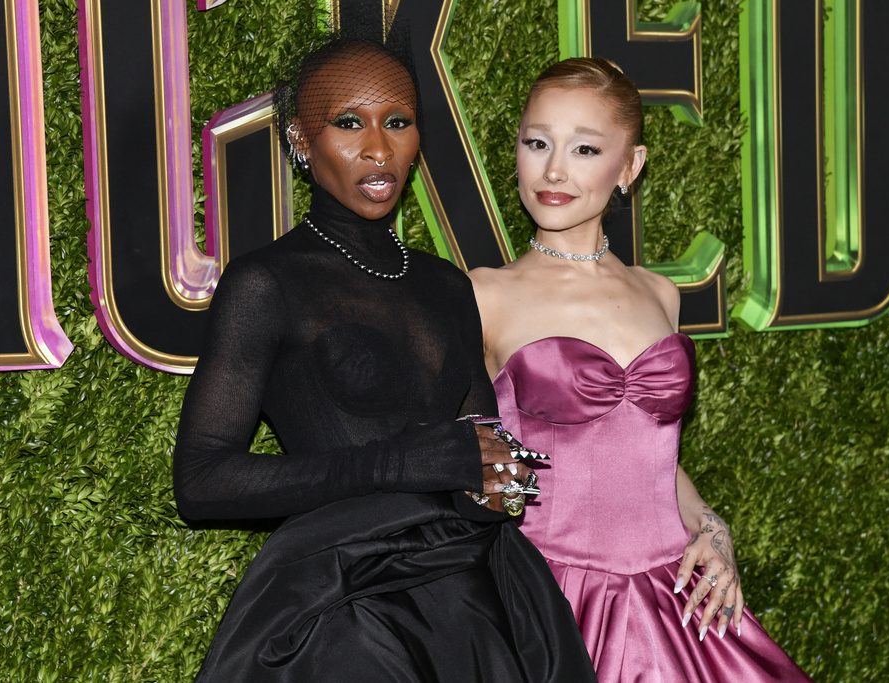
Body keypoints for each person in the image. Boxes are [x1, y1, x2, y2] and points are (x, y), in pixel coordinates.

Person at [173, 28, 596, 681]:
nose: (378, 147)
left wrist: (504, 478)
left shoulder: (445, 283)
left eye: (398, 121)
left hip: (475, 600)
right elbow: (201, 480)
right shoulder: (269, 283)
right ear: (299, 141)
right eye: (349, 123)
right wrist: (400, 461)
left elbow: (493, 469)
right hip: (347, 607)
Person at [469, 58, 812, 682]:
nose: (553, 170)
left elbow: (651, 453)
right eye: (537, 142)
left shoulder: (661, 294)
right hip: (551, 602)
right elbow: (461, 454)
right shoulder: (484, 295)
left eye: (585, 149)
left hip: (675, 595)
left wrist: (712, 526)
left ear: (630, 166)